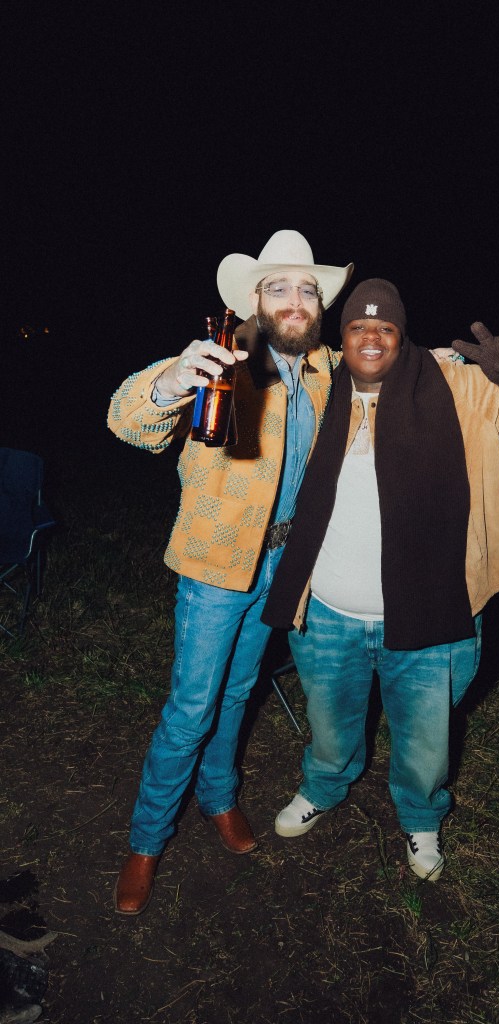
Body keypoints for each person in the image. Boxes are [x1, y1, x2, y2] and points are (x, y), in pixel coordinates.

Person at [262, 279, 499, 881]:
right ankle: (323, 785)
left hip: (431, 609)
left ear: (402, 336)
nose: (371, 337)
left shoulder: (455, 384)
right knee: (329, 723)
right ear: (341, 337)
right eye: (357, 327)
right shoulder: (316, 388)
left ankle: (421, 817)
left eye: (385, 327)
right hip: (327, 611)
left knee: (426, 738)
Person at [107, 230, 353, 914]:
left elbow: (394, 358)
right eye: (280, 287)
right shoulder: (224, 359)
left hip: (282, 565)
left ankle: (217, 797)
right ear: (255, 300)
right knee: (191, 710)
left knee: (240, 692)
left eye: (308, 290)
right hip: (216, 566)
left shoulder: (326, 371)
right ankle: (146, 841)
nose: (296, 300)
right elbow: (129, 421)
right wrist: (168, 382)